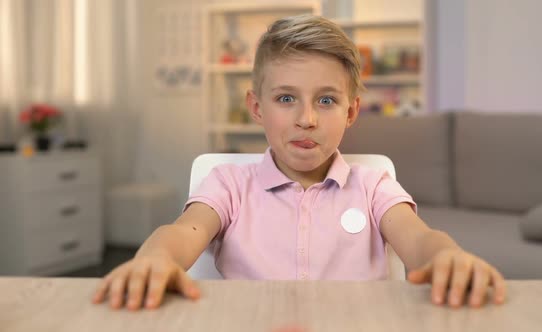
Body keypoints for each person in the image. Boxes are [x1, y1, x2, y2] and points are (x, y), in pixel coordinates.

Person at [92, 14, 506, 311]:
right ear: (256, 107)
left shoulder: (373, 186)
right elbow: (181, 234)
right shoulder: (228, 184)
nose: (306, 118)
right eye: (286, 98)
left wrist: (446, 256)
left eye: (326, 100)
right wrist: (155, 260)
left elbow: (420, 240)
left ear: (351, 111)